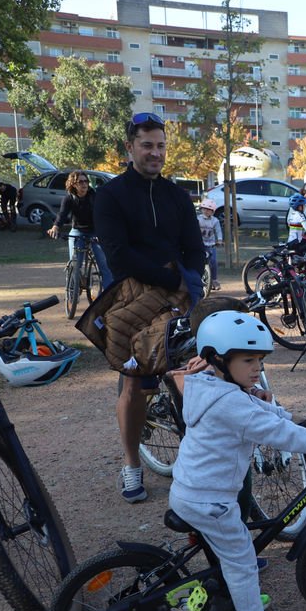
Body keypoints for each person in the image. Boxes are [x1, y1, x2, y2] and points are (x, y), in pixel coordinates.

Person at [169, 310, 306, 611]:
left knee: (228, 554)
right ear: (218, 360)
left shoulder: (206, 384)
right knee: (241, 563)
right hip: (211, 500)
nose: (258, 368)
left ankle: (233, 599)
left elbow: (255, 408)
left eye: (260, 360)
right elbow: (278, 433)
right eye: (248, 360)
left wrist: (280, 412)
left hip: (190, 490)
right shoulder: (231, 402)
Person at [95, 111, 205, 503]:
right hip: (133, 301)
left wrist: (190, 279)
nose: (155, 153)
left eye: (160, 145)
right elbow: (119, 257)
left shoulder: (176, 195)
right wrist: (171, 280)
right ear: (129, 147)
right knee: (135, 388)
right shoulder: (110, 196)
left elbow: (194, 248)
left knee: (197, 377)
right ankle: (131, 465)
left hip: (179, 296)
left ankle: (198, 461)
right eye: (147, 145)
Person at [49, 171, 114, 291]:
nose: (84, 184)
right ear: (73, 184)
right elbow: (62, 214)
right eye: (81, 182)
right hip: (77, 231)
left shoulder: (94, 196)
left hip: (95, 232)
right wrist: (56, 226)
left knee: (104, 264)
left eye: (86, 181)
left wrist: (102, 233)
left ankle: (109, 294)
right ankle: (73, 289)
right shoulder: (69, 198)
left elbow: (100, 216)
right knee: (75, 263)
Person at [197, 199, 223, 291]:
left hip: (211, 244)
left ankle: (214, 280)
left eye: (208, 209)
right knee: (198, 262)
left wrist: (219, 240)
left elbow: (218, 231)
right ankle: (197, 280)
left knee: (213, 262)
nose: (206, 211)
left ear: (212, 211)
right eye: (204, 209)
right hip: (200, 245)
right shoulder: (198, 219)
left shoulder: (215, 221)